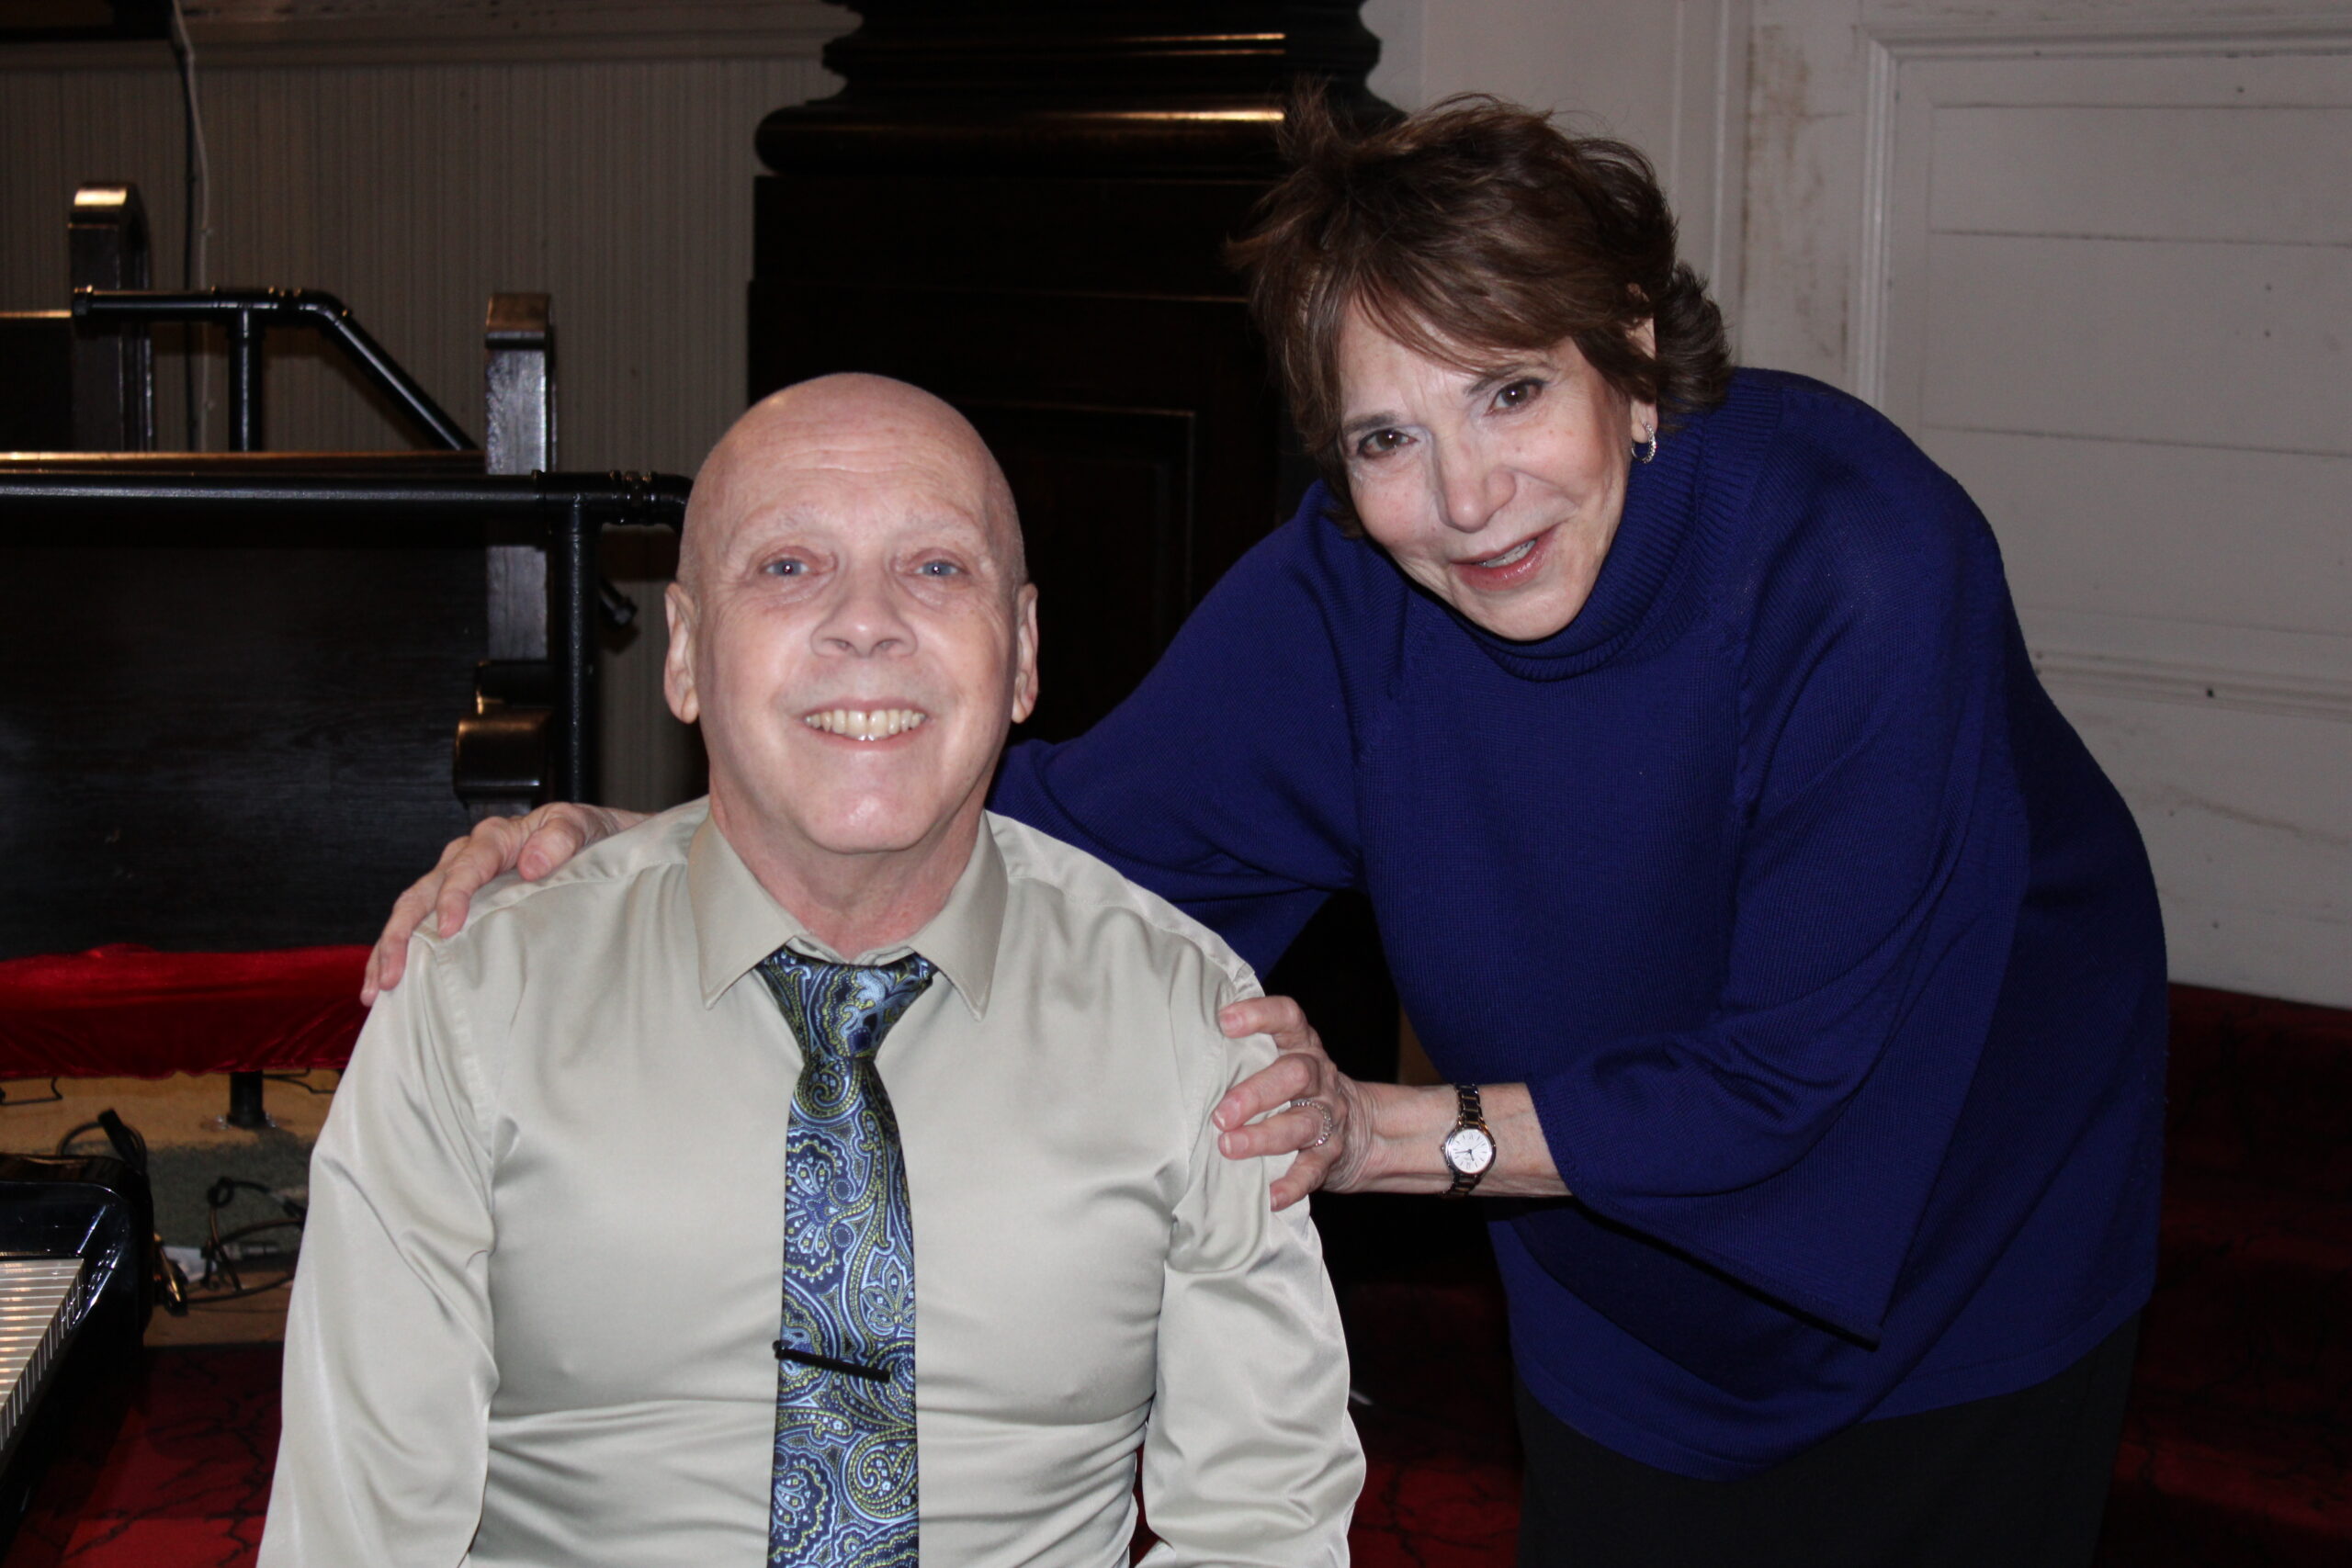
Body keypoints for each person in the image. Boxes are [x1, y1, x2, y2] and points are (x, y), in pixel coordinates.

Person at [370, 97, 2166, 1566]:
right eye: (1385, 437)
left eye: (1510, 391)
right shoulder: (1345, 598)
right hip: (1607, 1242)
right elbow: (1062, 836)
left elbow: (1795, 1082)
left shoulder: (1857, 556)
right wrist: (645, 846)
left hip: (1956, 1231)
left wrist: (1388, 1135)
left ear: (1626, 348)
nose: (1465, 498)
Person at [262, 375, 1363, 1568]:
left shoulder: (1193, 1024)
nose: (866, 622)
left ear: (1024, 653)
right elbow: (354, 1535)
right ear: (686, 652)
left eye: (935, 567)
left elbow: (1264, 1529)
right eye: (789, 566)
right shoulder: (478, 1003)